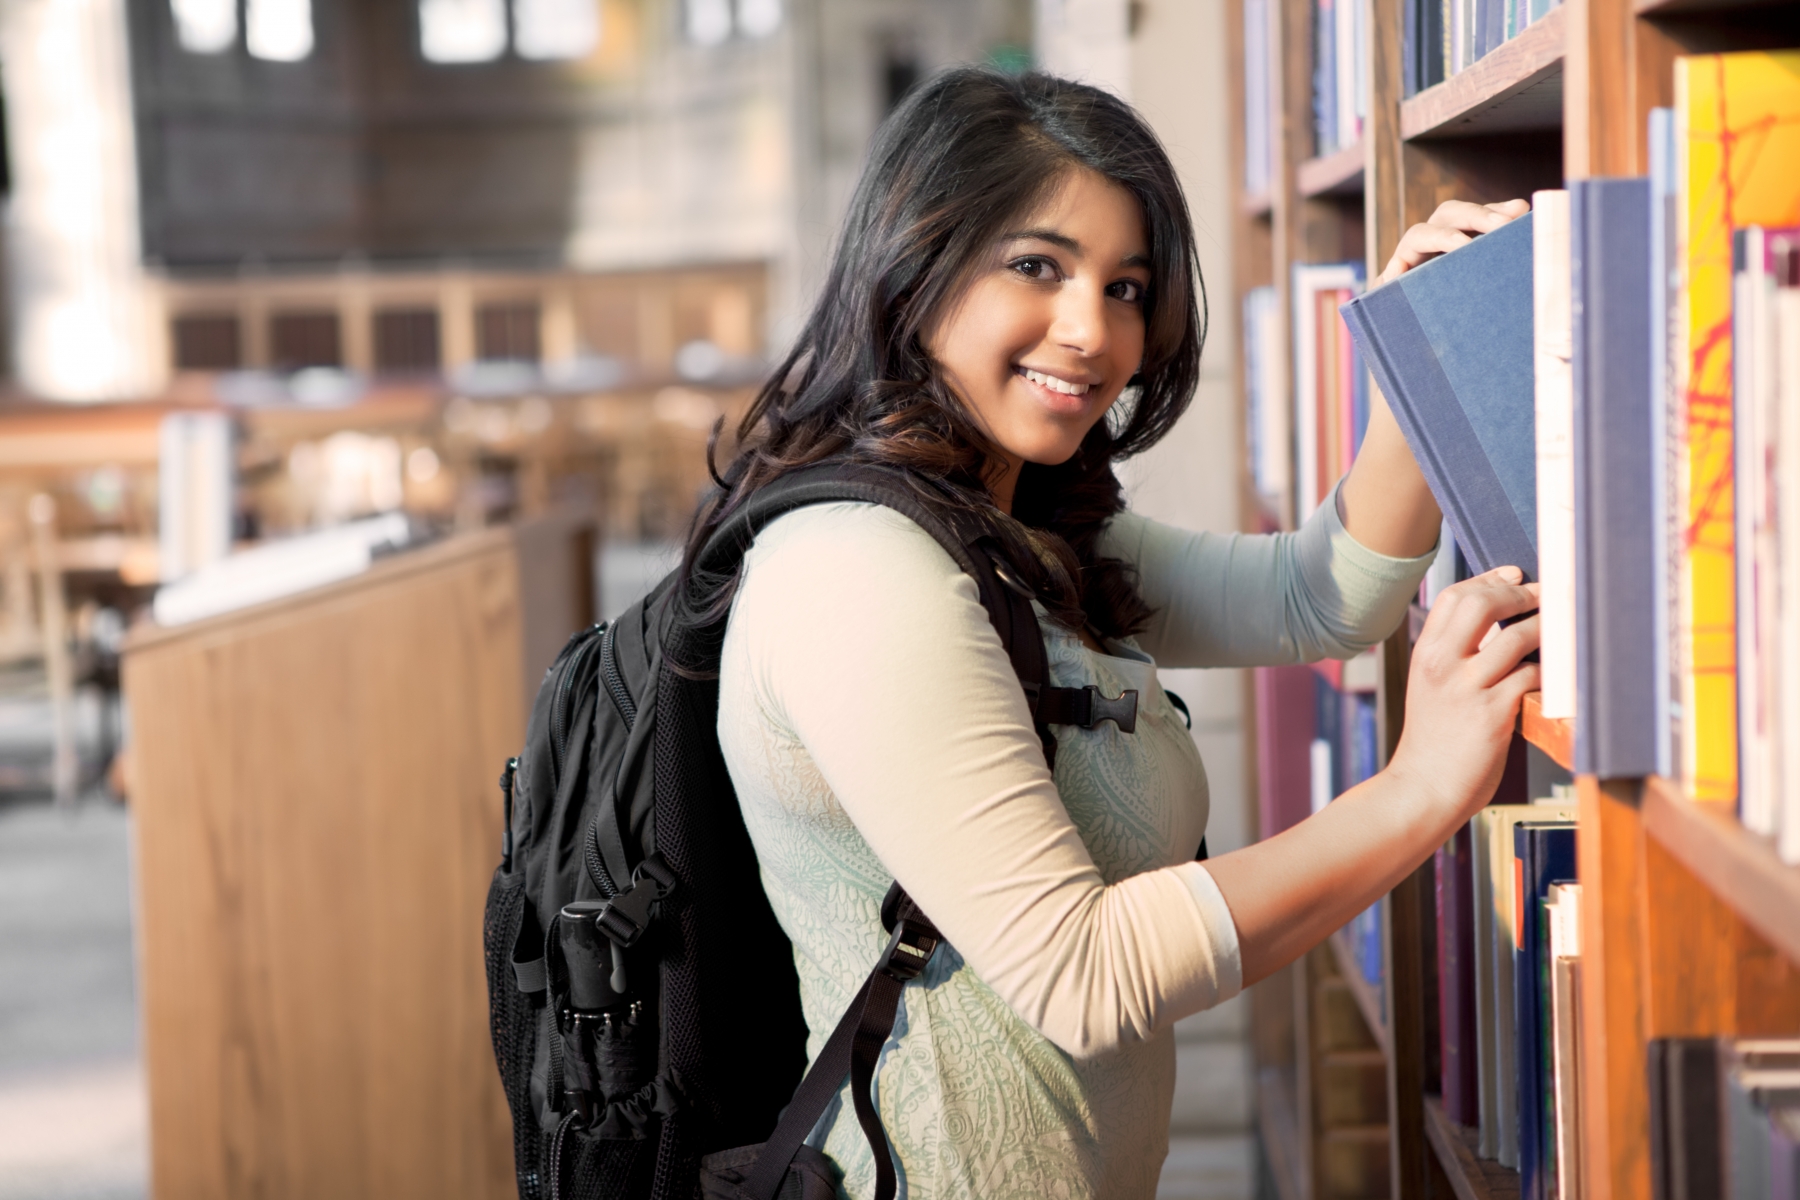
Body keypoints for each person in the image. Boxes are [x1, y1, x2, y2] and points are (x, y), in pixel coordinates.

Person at [681, 67, 1539, 1198]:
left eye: (1126, 286)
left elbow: (1317, 598)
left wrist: (1416, 369)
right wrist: (1418, 792)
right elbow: (1079, 975)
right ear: (915, 262)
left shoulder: (1011, 527)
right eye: (1037, 266)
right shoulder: (858, 570)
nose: (1092, 330)